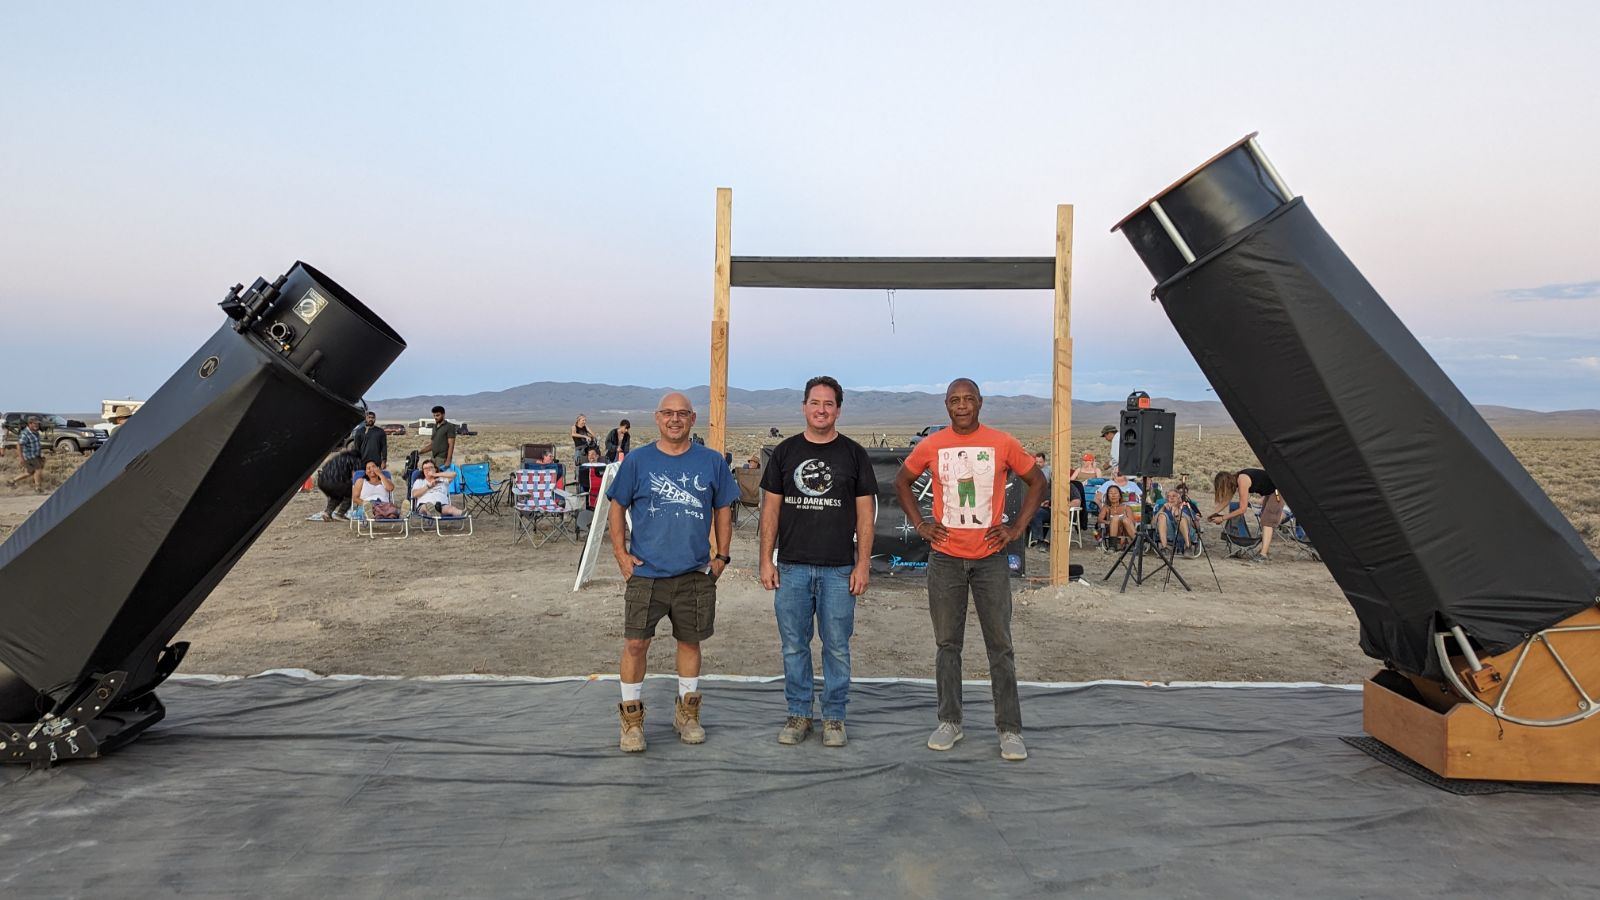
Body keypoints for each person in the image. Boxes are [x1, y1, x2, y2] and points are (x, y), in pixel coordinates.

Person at [893, 379, 1046, 762]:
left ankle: (1009, 729)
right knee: (948, 644)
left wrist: (1016, 528)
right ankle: (950, 721)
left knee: (1000, 646)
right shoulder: (932, 444)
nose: (962, 406)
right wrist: (921, 524)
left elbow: (1037, 481)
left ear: (980, 403)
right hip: (945, 558)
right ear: (946, 405)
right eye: (954, 400)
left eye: (968, 399)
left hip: (990, 558)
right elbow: (902, 481)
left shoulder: (1002, 442)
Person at [606, 393, 736, 752]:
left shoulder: (711, 461)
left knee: (690, 641)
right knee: (635, 643)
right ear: (657, 417)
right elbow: (617, 506)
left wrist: (722, 557)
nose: (674, 419)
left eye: (682, 413)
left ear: (693, 419)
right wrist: (620, 554)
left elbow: (724, 508)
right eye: (668, 413)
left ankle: (687, 715)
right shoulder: (638, 460)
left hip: (694, 572)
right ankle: (631, 721)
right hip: (646, 573)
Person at [759, 376, 877, 748]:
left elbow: (865, 516)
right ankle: (798, 714)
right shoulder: (785, 452)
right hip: (792, 567)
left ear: (838, 410)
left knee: (837, 647)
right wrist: (766, 560)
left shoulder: (854, 454)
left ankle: (834, 717)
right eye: (815, 402)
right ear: (804, 407)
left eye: (828, 404)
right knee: (794, 646)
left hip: (839, 569)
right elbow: (770, 511)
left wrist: (862, 564)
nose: (821, 410)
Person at [1209, 468, 1284, 560]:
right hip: (1270, 491)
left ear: (1226, 483)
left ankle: (1263, 554)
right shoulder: (1235, 480)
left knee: (1267, 521)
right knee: (1264, 518)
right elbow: (1226, 501)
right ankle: (1265, 550)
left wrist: (1222, 518)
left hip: (1278, 491)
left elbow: (1242, 509)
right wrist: (1213, 514)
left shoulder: (1242, 481)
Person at [314, 445, 362, 521]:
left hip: (321, 481)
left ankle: (327, 512)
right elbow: (356, 475)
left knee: (337, 495)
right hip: (336, 481)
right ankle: (340, 514)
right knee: (352, 492)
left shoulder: (337, 457)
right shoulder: (355, 460)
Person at [1157, 482, 1201, 555]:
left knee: (1181, 518)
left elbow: (1197, 526)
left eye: (1174, 496)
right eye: (1169, 496)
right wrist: (1162, 509)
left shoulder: (1187, 507)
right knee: (1161, 516)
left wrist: (1178, 511)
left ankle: (1188, 547)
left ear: (1179, 498)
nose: (1171, 498)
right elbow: (1153, 523)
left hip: (1187, 533)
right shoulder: (1163, 507)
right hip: (1170, 534)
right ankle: (1164, 548)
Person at [8, 416, 46, 493]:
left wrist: (41, 454)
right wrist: (21, 458)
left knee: (29, 473)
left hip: (36, 455)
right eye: (35, 424)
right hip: (29, 456)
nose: (37, 425)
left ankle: (12, 481)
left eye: (38, 424)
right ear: (30, 424)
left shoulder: (36, 432)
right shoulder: (25, 433)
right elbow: (19, 445)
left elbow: (36, 444)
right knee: (38, 470)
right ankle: (38, 488)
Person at [1028, 451, 1053, 546]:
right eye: (1037, 462)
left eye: (1040, 462)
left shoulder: (1049, 470)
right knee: (1033, 512)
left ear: (1044, 461)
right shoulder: (1032, 470)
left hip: (1050, 506)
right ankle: (1038, 539)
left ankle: (1044, 540)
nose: (1038, 464)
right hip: (1040, 502)